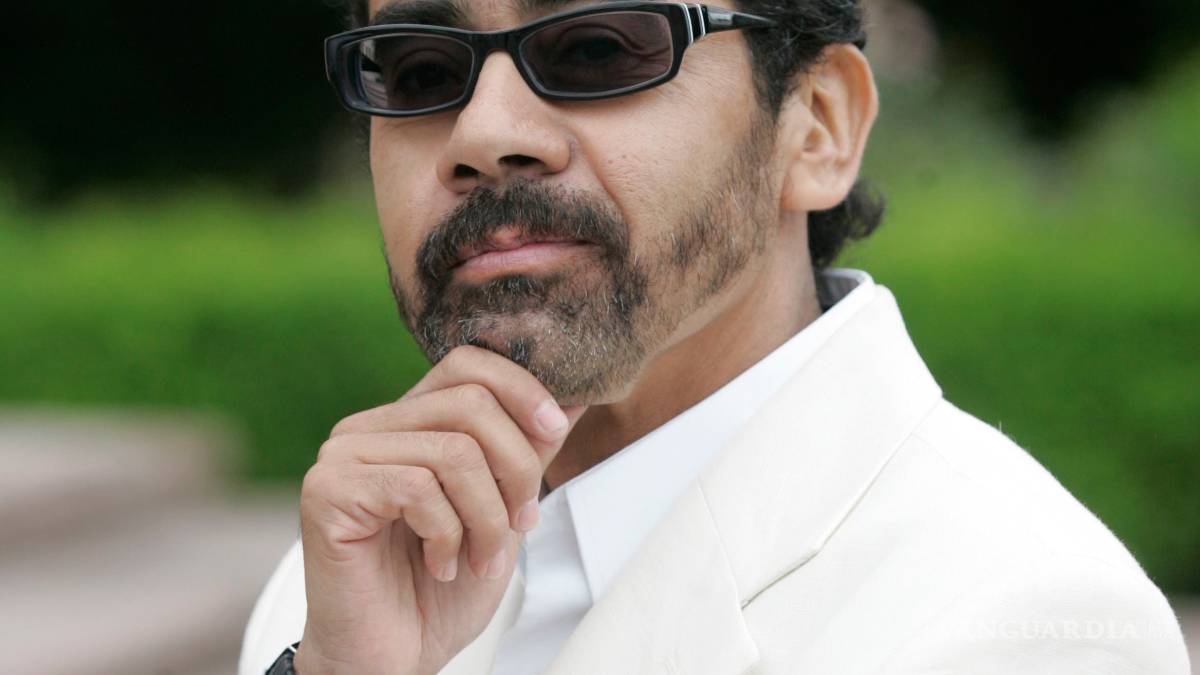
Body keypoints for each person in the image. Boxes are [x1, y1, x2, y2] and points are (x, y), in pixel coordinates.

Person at [239, 1, 1192, 673]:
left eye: (597, 47)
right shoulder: (348, 578)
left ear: (816, 127)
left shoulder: (1024, 623)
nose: (482, 132)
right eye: (421, 71)